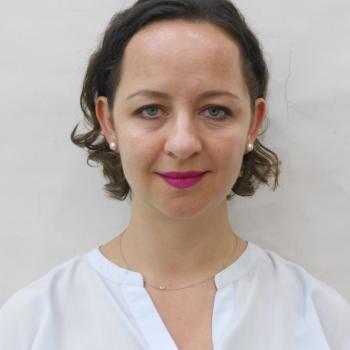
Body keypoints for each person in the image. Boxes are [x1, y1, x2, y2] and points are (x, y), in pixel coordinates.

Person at [1, 0, 349, 349]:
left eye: (215, 110)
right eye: (150, 109)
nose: (183, 144)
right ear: (108, 122)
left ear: (253, 124)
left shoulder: (322, 320)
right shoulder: (32, 325)